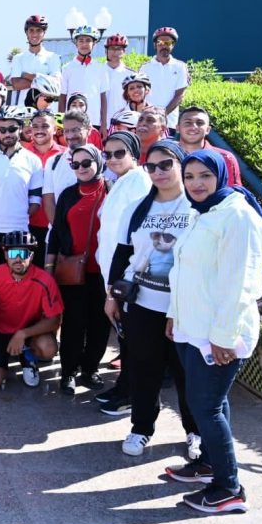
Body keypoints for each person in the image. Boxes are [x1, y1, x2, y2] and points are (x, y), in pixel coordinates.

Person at [162, 149, 262, 514]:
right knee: (213, 403)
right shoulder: (204, 212)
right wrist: (175, 315)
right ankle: (209, 464)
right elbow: (185, 272)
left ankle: (229, 488)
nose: (196, 183)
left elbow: (240, 284)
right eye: (189, 176)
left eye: (205, 176)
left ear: (222, 175)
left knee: (205, 407)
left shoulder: (237, 216)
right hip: (193, 328)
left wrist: (223, 337)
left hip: (220, 334)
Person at [103, 141, 198, 456]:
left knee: (186, 373)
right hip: (143, 302)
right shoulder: (137, 208)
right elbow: (123, 253)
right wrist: (111, 295)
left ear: (181, 165)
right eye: (152, 166)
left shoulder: (197, 207)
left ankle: (195, 432)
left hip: (185, 306)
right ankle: (141, 428)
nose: (159, 172)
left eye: (166, 164)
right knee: (144, 369)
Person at [93, 131, 153, 416]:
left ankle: (130, 395)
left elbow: (136, 235)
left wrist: (121, 279)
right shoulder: (121, 182)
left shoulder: (139, 181)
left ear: (134, 155)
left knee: (133, 341)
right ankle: (123, 387)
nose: (113, 159)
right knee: (125, 337)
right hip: (113, 274)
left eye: (120, 153)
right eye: (108, 154)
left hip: (127, 276)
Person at [46, 144, 110, 394]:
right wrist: (49, 268)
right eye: (75, 164)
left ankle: (90, 368)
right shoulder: (68, 195)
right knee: (73, 324)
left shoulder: (112, 190)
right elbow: (56, 233)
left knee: (100, 324)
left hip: (103, 272)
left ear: (98, 162)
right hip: (73, 271)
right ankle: (68, 372)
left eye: (86, 163)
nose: (81, 168)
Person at [0, 231, 62, 389]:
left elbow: (55, 319)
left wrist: (23, 334)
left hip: (29, 331)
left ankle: (28, 357)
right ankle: (2, 358)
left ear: (31, 256)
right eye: (13, 253)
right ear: (5, 255)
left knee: (48, 348)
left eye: (23, 253)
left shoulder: (45, 280)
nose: (18, 259)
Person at [0, 107, 44, 266]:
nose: (7, 134)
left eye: (12, 129)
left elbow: (36, 199)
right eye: (2, 130)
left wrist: (18, 215)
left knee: (17, 278)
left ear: (21, 128)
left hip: (20, 233)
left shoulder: (33, 160)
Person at [24, 109, 66, 268]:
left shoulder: (66, 155)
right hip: (26, 223)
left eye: (45, 126)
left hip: (55, 225)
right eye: (35, 126)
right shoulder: (21, 154)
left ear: (55, 129)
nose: (39, 130)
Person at [42, 110, 93, 223]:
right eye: (66, 131)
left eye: (75, 130)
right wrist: (59, 230)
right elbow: (49, 201)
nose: (70, 136)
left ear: (89, 130)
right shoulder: (53, 161)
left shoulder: (103, 161)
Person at [60, 26, 110, 131]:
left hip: (94, 121)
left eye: (88, 40)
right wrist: (60, 123)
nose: (84, 44)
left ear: (94, 43)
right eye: (81, 40)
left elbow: (103, 98)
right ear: (76, 43)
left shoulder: (101, 68)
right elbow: (63, 97)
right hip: (72, 120)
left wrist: (104, 124)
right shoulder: (67, 68)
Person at [175, 107, 241, 186]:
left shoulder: (225, 158)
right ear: (177, 128)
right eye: (188, 123)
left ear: (208, 130)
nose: (193, 127)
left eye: (200, 123)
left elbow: (231, 192)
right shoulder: (166, 155)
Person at [139, 27, 189, 129]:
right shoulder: (145, 68)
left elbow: (180, 95)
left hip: (169, 122)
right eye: (160, 42)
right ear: (155, 45)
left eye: (168, 42)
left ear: (173, 45)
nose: (164, 45)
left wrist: (164, 113)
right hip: (148, 120)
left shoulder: (180, 67)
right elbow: (140, 94)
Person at [9, 15, 62, 107]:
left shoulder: (53, 57)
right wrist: (44, 83)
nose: (34, 34)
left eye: (38, 30)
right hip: (23, 108)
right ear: (26, 33)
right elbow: (16, 84)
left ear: (44, 33)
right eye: (31, 30)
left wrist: (27, 76)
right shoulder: (18, 58)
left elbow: (56, 83)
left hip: (47, 108)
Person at [103, 34, 134, 121]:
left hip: (122, 122)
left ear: (124, 52)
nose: (115, 52)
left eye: (119, 49)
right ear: (106, 51)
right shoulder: (97, 72)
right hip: (99, 122)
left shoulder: (131, 75)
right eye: (112, 48)